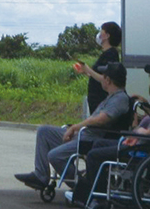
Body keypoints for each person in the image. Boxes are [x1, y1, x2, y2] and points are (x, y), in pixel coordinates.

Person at [72, 61, 150, 209]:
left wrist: (135, 133)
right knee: (98, 144)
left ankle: (98, 202)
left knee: (94, 155)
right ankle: (90, 194)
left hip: (147, 148)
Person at [15, 61, 132, 191]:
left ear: (108, 80)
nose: (101, 79)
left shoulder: (120, 99)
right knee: (44, 131)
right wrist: (87, 70)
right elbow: (101, 83)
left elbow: (101, 120)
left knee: (55, 156)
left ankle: (81, 186)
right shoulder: (112, 96)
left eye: (103, 76)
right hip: (84, 134)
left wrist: (75, 127)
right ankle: (41, 175)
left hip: (91, 138)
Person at [72, 21, 122, 115]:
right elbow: (98, 76)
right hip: (96, 101)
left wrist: (88, 69)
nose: (99, 34)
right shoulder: (106, 53)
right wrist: (85, 71)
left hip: (101, 100)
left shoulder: (111, 54)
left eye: (101, 31)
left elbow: (106, 79)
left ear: (107, 35)